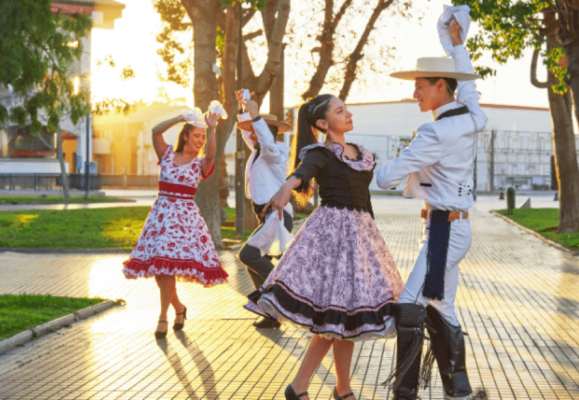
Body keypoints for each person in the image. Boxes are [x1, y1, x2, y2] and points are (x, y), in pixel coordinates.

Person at [249, 94, 404, 400]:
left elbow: (366, 199)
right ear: (322, 123)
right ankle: (303, 387)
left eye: (346, 108)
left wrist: (372, 237)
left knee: (345, 321)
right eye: (339, 111)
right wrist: (284, 189)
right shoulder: (319, 152)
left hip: (362, 236)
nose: (347, 113)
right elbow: (301, 173)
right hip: (332, 238)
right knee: (335, 320)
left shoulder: (362, 153)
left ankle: (340, 389)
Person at [376, 17, 488, 400]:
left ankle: (404, 392)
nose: (415, 95)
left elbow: (386, 179)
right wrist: (456, 42)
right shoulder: (472, 117)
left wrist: (385, 161)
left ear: (441, 86)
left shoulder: (434, 132)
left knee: (409, 305)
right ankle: (459, 389)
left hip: (444, 232)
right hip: (450, 228)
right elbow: (469, 83)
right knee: (442, 308)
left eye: (420, 87)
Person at [122, 107, 229, 340]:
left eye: (203, 137)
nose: (200, 141)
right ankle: (179, 308)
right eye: (197, 136)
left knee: (166, 268)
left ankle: (163, 317)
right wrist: (180, 118)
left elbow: (211, 155)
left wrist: (211, 128)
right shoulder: (167, 155)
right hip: (161, 217)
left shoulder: (200, 164)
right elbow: (155, 131)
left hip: (184, 220)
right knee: (159, 272)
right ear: (185, 136)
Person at [235, 90, 294, 330]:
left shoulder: (276, 151)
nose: (250, 133)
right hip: (268, 219)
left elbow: (266, 145)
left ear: (266, 132)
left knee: (247, 255)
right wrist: (244, 108)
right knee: (253, 259)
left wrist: (255, 114)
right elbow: (252, 138)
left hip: (278, 216)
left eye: (255, 128)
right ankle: (271, 313)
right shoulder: (258, 151)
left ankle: (280, 294)